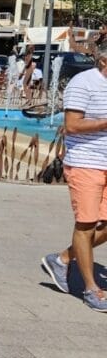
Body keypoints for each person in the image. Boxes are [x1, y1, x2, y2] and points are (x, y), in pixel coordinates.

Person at [41, 38, 107, 311]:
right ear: (103, 60)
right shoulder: (84, 83)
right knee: (87, 224)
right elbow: (72, 126)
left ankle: (63, 258)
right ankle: (91, 289)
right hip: (86, 162)